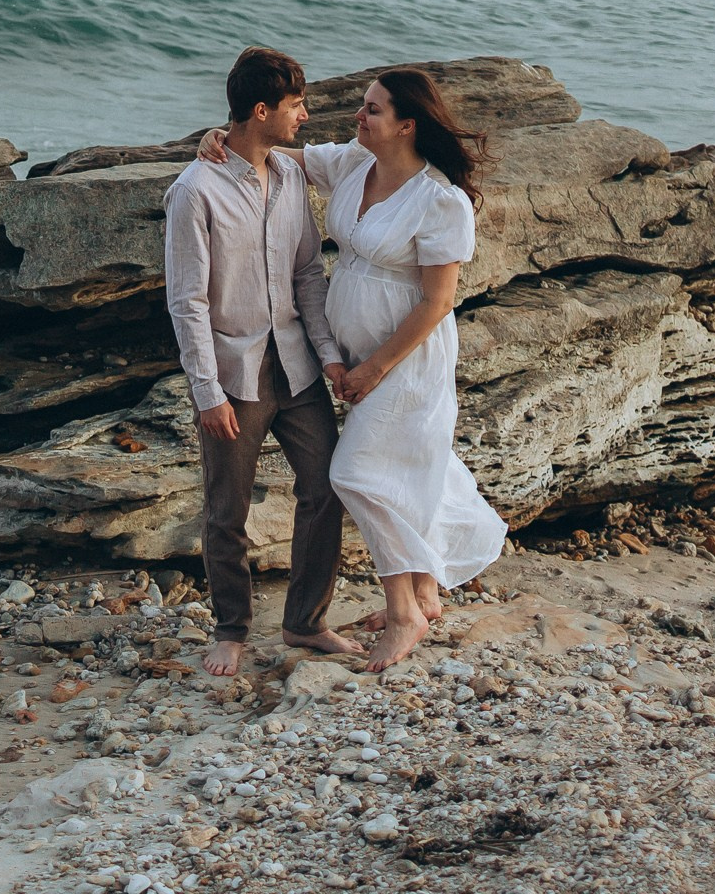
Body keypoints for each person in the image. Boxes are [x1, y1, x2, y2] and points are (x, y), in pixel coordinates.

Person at [200, 65, 507, 669]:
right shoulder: (352, 163)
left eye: (372, 109)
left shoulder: (440, 201)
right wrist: (219, 136)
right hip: (353, 355)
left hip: (407, 359)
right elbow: (269, 148)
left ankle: (404, 613)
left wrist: (375, 369)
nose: (357, 116)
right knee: (415, 463)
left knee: (357, 473)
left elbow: (437, 302)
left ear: (407, 125)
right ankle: (424, 586)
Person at [163, 46, 362, 676]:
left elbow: (308, 274)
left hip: (297, 365)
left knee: (326, 485)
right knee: (228, 510)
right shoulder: (194, 191)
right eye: (296, 104)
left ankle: (306, 621)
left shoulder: (292, 177)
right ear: (260, 110)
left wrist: (328, 355)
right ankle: (231, 629)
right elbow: (187, 301)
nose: (305, 115)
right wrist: (207, 391)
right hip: (234, 371)